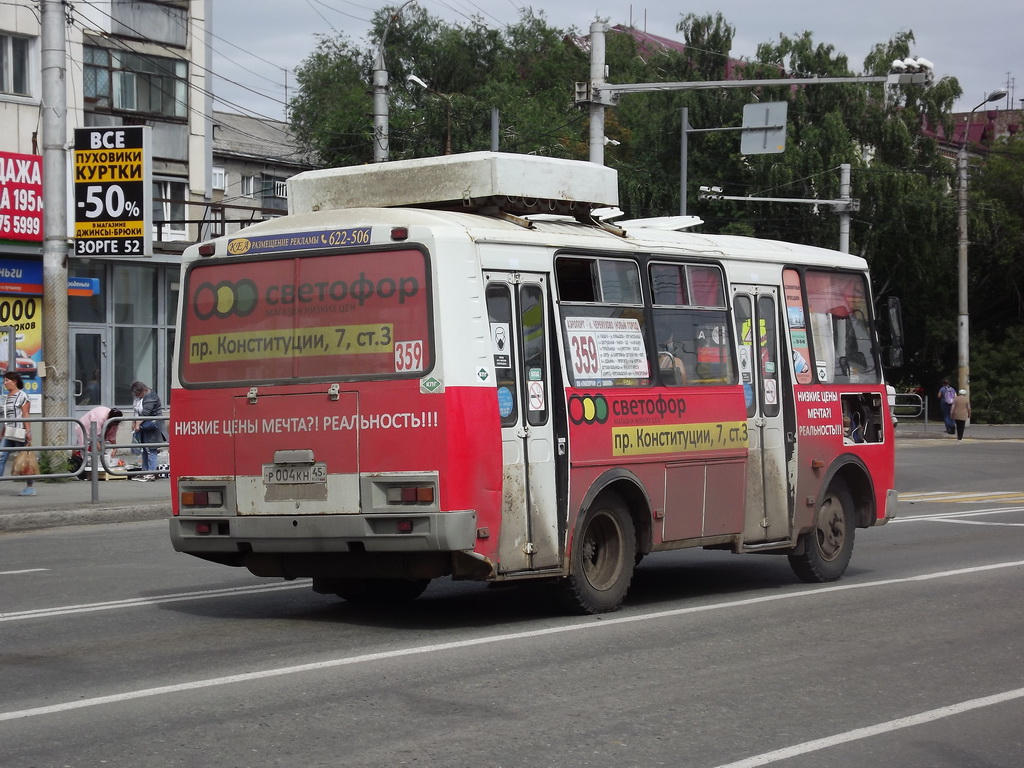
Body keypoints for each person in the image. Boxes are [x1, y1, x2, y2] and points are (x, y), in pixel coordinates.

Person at [0, 371, 35, 496]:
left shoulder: (23, 396)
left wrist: (28, 431)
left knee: (26, 459)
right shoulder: (6, 397)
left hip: (20, 431)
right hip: (8, 432)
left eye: (7, 380)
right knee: (1, 456)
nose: (4, 383)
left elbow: (26, 414)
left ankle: (30, 487)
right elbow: (6, 417)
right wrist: (2, 432)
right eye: (4, 380)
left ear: (14, 381)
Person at [130, 380, 167, 481]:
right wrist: (134, 422)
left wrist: (137, 423)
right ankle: (144, 471)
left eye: (138, 394)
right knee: (145, 450)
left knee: (151, 450)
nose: (137, 396)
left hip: (152, 426)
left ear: (143, 390)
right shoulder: (140, 398)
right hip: (145, 426)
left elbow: (146, 413)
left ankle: (151, 473)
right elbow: (137, 412)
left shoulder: (151, 396)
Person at [72, 405, 123, 474]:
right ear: (109, 418)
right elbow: (95, 435)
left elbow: (112, 436)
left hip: (99, 429)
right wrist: (101, 450)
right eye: (114, 423)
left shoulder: (114, 422)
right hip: (86, 426)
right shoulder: (100, 416)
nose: (115, 425)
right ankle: (78, 468)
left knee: (98, 448)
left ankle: (93, 467)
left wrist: (115, 448)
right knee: (84, 448)